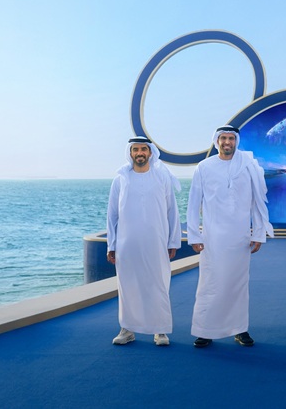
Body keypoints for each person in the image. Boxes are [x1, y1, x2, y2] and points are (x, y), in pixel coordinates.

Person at [187, 125, 273, 348]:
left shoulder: (248, 166)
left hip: (240, 238)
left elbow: (257, 202)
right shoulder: (204, 167)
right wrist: (195, 236)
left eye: (231, 138)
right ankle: (205, 331)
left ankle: (239, 329)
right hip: (212, 238)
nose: (227, 142)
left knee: (238, 284)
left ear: (236, 141)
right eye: (223, 138)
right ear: (217, 141)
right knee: (210, 284)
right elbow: (194, 203)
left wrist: (258, 233)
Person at [106, 136, 182, 347]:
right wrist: (111, 245)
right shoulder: (120, 179)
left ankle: (160, 330)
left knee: (158, 284)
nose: (139, 153)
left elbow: (172, 211)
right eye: (136, 150)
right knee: (128, 286)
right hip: (127, 244)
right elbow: (112, 215)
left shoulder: (162, 177)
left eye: (143, 149)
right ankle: (127, 329)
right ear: (130, 153)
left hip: (156, 242)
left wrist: (173, 241)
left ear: (150, 152)